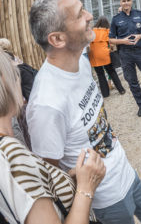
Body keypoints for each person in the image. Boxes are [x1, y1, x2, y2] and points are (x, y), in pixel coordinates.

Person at [27, 0, 141, 224]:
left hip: (127, 173)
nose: (90, 15)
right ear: (58, 39)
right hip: (106, 201)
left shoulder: (80, 60)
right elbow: (52, 175)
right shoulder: (45, 105)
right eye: (80, 14)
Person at [0, 48, 106, 224]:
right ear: (4, 79)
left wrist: (70, 178)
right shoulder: (12, 155)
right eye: (15, 72)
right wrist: (86, 188)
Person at [109, 0, 141, 117]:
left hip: (140, 51)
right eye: (123, 1)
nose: (126, 3)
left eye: (128, 0)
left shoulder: (139, 14)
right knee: (132, 81)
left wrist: (140, 36)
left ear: (131, 1)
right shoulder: (116, 19)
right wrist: (123, 41)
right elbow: (111, 39)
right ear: (120, 3)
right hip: (125, 54)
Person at [88, 16, 125, 98]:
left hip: (94, 55)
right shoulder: (107, 31)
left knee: (100, 74)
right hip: (105, 54)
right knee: (112, 72)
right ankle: (121, 89)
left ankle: (105, 94)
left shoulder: (91, 31)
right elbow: (111, 44)